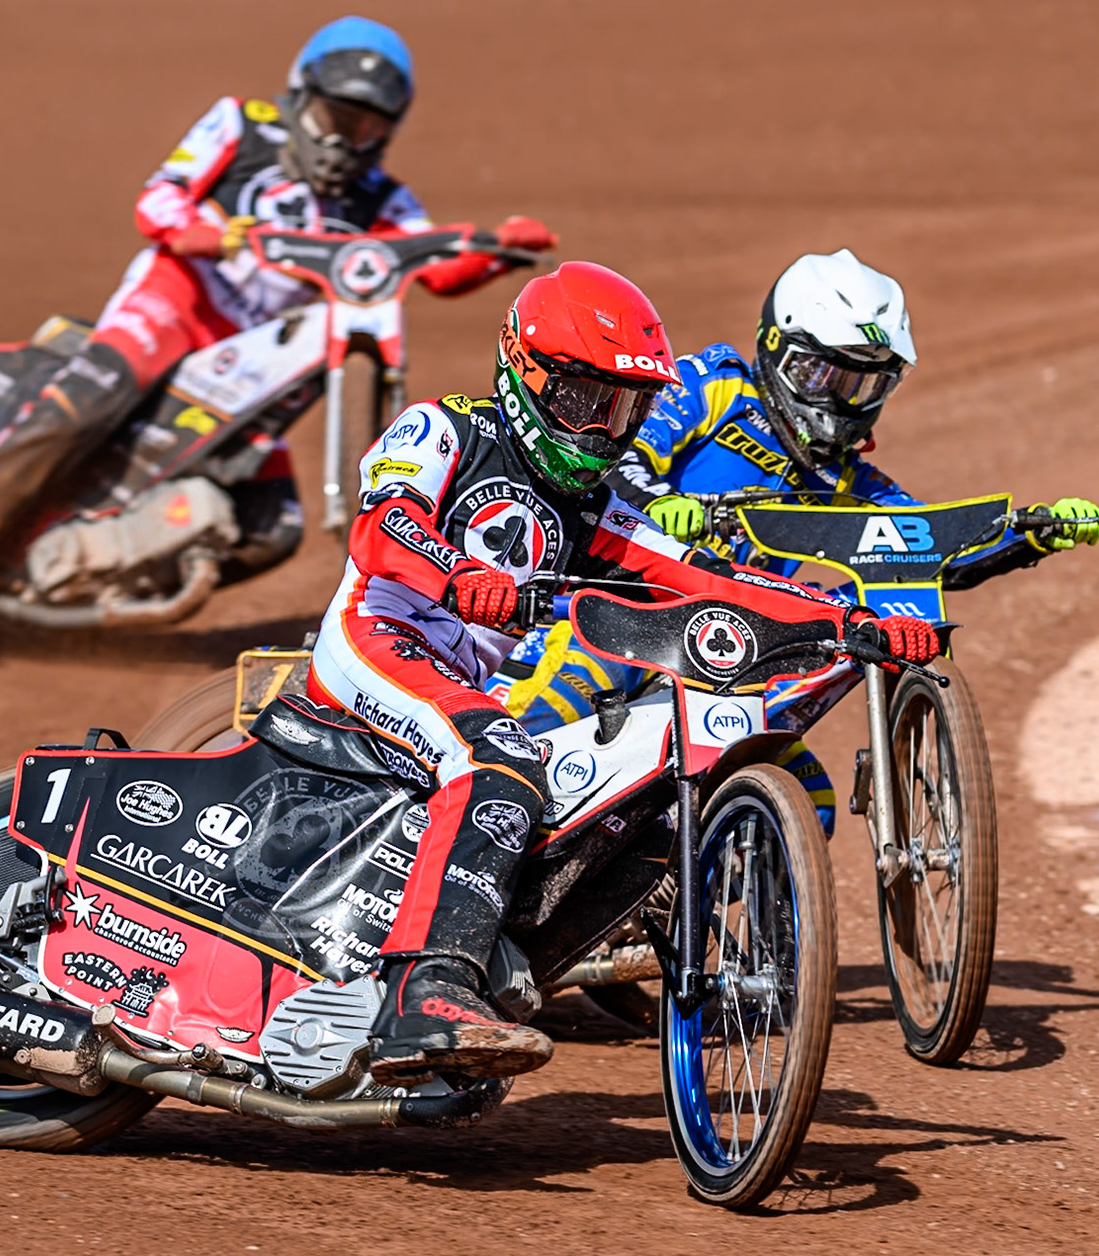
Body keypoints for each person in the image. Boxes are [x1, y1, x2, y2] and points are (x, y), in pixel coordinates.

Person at [305, 261, 940, 1079]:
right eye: (584, 401)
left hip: (461, 685)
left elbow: (714, 581)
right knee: (501, 756)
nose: (602, 431)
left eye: (624, 410)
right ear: (525, 371)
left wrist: (851, 625)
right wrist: (456, 576)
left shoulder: (598, 509)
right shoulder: (445, 430)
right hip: (378, 640)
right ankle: (425, 990)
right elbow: (382, 527)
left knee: (607, 797)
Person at [0, 16, 558, 621]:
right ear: (302, 96)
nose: (345, 141)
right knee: (100, 389)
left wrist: (497, 251)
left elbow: (430, 267)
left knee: (271, 523)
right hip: (179, 302)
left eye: (366, 129)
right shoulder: (240, 125)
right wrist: (205, 235)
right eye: (336, 118)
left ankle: (95, 572)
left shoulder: (382, 197)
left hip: (255, 355)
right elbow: (159, 197)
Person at [497, 248, 1099, 832]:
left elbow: (925, 546)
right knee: (537, 727)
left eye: (866, 386)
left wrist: (1030, 533)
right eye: (829, 375)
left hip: (731, 657)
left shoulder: (851, 480)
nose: (843, 403)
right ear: (778, 351)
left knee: (808, 803)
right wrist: (663, 505)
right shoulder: (714, 386)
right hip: (623, 610)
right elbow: (613, 460)